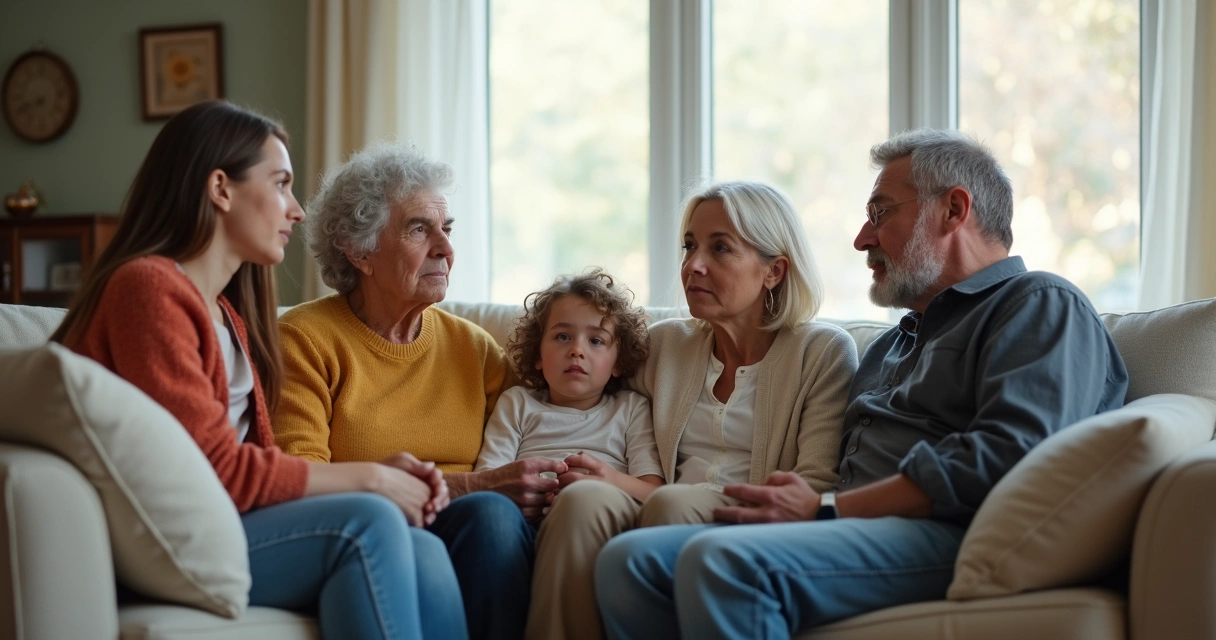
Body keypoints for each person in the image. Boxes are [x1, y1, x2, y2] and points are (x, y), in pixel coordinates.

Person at [595, 129, 1131, 639]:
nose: (861, 238)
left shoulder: (1036, 303)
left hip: (952, 531)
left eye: (880, 213)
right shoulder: (893, 344)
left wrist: (826, 509)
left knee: (724, 564)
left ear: (954, 209)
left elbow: (1012, 451)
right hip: (841, 528)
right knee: (631, 563)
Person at [51, 101, 465, 640]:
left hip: (226, 524)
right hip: (167, 541)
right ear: (221, 189)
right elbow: (217, 468)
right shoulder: (147, 289)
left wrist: (381, 477)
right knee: (370, 521)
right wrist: (370, 478)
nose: (296, 210)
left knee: (424, 548)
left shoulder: (224, 310)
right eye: (281, 184)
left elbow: (253, 462)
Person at [530, 181, 859, 640]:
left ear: (774, 271)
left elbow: (816, 482)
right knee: (584, 499)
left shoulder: (821, 351)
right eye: (689, 246)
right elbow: (580, 384)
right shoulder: (666, 344)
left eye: (719, 248)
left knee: (671, 500)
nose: (693, 265)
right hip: (656, 504)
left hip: (752, 521)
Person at [273, 142, 550, 640]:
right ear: (359, 251)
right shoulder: (305, 339)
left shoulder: (473, 347)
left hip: (473, 528)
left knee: (492, 516)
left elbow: (537, 433)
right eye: (419, 229)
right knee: (474, 515)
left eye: (447, 229)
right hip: (367, 525)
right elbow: (302, 475)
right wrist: (467, 486)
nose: (445, 248)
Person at [475, 269, 663, 502]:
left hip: (599, 515)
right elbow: (487, 481)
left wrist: (609, 479)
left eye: (596, 340)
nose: (577, 350)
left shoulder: (632, 408)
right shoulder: (516, 403)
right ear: (538, 353)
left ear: (618, 361)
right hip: (523, 517)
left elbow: (653, 493)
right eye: (563, 337)